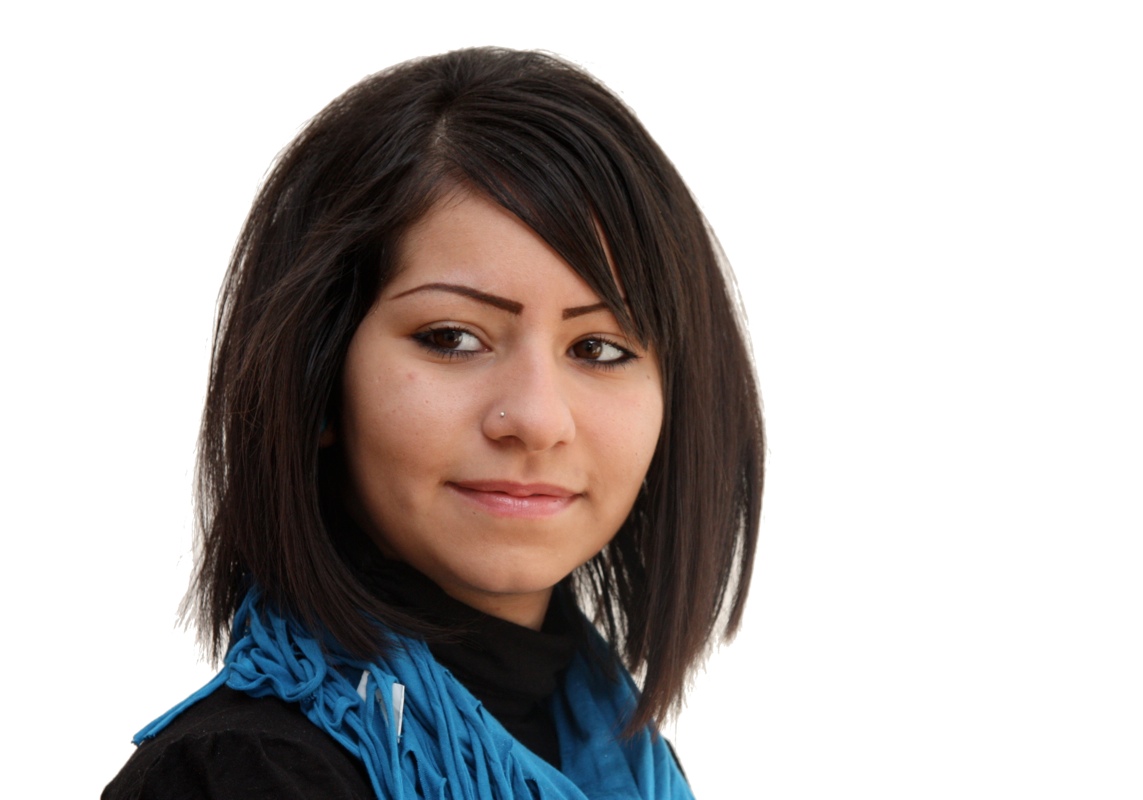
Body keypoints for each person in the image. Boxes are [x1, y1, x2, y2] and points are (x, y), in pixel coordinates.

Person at [104, 46, 765, 800]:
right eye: (453, 337)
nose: (536, 420)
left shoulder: (627, 765)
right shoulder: (243, 777)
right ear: (317, 377)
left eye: (599, 349)